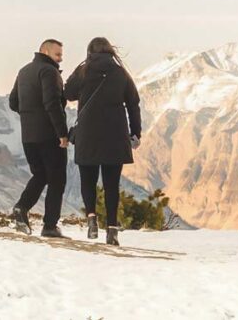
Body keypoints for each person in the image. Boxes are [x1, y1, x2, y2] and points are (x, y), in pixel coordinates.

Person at [64, 37, 141, 246]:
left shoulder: (83, 71)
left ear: (90, 51)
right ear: (110, 51)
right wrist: (136, 133)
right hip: (115, 134)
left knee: (87, 179)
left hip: (88, 133)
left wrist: (78, 71)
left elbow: (68, 93)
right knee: (111, 184)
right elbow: (134, 104)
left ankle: (91, 219)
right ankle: (112, 228)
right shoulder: (121, 73)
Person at [8, 38, 69, 238]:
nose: (61, 59)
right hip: (49, 135)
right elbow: (52, 104)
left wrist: (30, 116)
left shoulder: (23, 71)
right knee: (57, 179)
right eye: (57, 54)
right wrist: (62, 133)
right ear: (45, 51)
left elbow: (13, 102)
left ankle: (21, 207)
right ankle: (50, 225)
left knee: (40, 175)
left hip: (28, 136)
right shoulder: (49, 72)